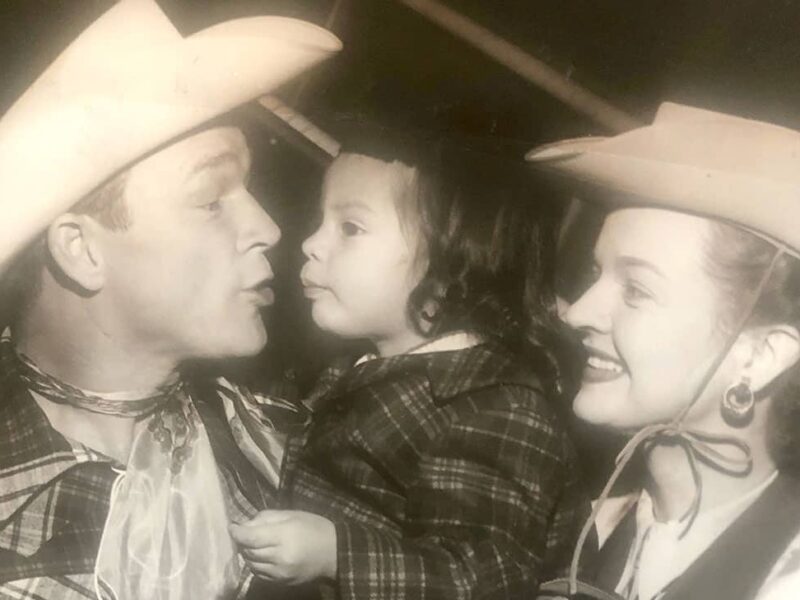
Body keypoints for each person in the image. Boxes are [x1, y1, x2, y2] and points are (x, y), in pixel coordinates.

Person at [0, 1, 340, 598]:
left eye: (248, 188)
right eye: (211, 199)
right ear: (81, 250)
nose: (268, 228)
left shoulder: (281, 438)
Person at [229, 125, 591, 599]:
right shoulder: (361, 363)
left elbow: (482, 581)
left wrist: (337, 553)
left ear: (452, 261)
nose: (311, 243)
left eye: (351, 228)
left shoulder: (494, 408)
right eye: (321, 219)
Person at [527, 102, 800, 600]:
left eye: (636, 290)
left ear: (759, 356)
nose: (578, 312)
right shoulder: (587, 522)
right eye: (595, 274)